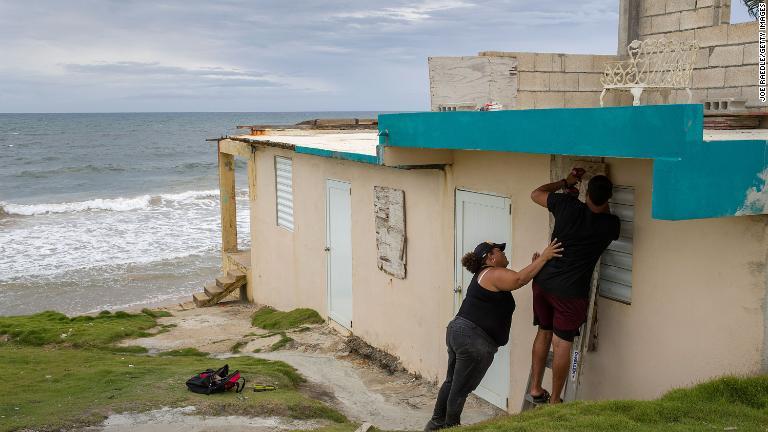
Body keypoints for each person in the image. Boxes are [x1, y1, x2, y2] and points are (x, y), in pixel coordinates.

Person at [425, 238, 563, 431]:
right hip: (473, 339)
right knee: (460, 388)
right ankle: (451, 427)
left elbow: (517, 278)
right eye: (499, 251)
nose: (504, 253)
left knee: (452, 382)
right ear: (489, 258)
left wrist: (535, 265)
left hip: (460, 331)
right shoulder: (492, 273)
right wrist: (544, 258)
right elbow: (518, 279)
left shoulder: (486, 275)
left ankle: (435, 424)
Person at [527, 171, 620, 405]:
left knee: (543, 332)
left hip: (543, 281)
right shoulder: (610, 225)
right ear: (609, 198)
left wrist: (566, 183)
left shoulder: (567, 205)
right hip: (569, 293)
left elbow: (536, 193)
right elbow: (601, 212)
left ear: (586, 193)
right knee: (561, 344)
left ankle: (536, 388)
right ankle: (555, 401)